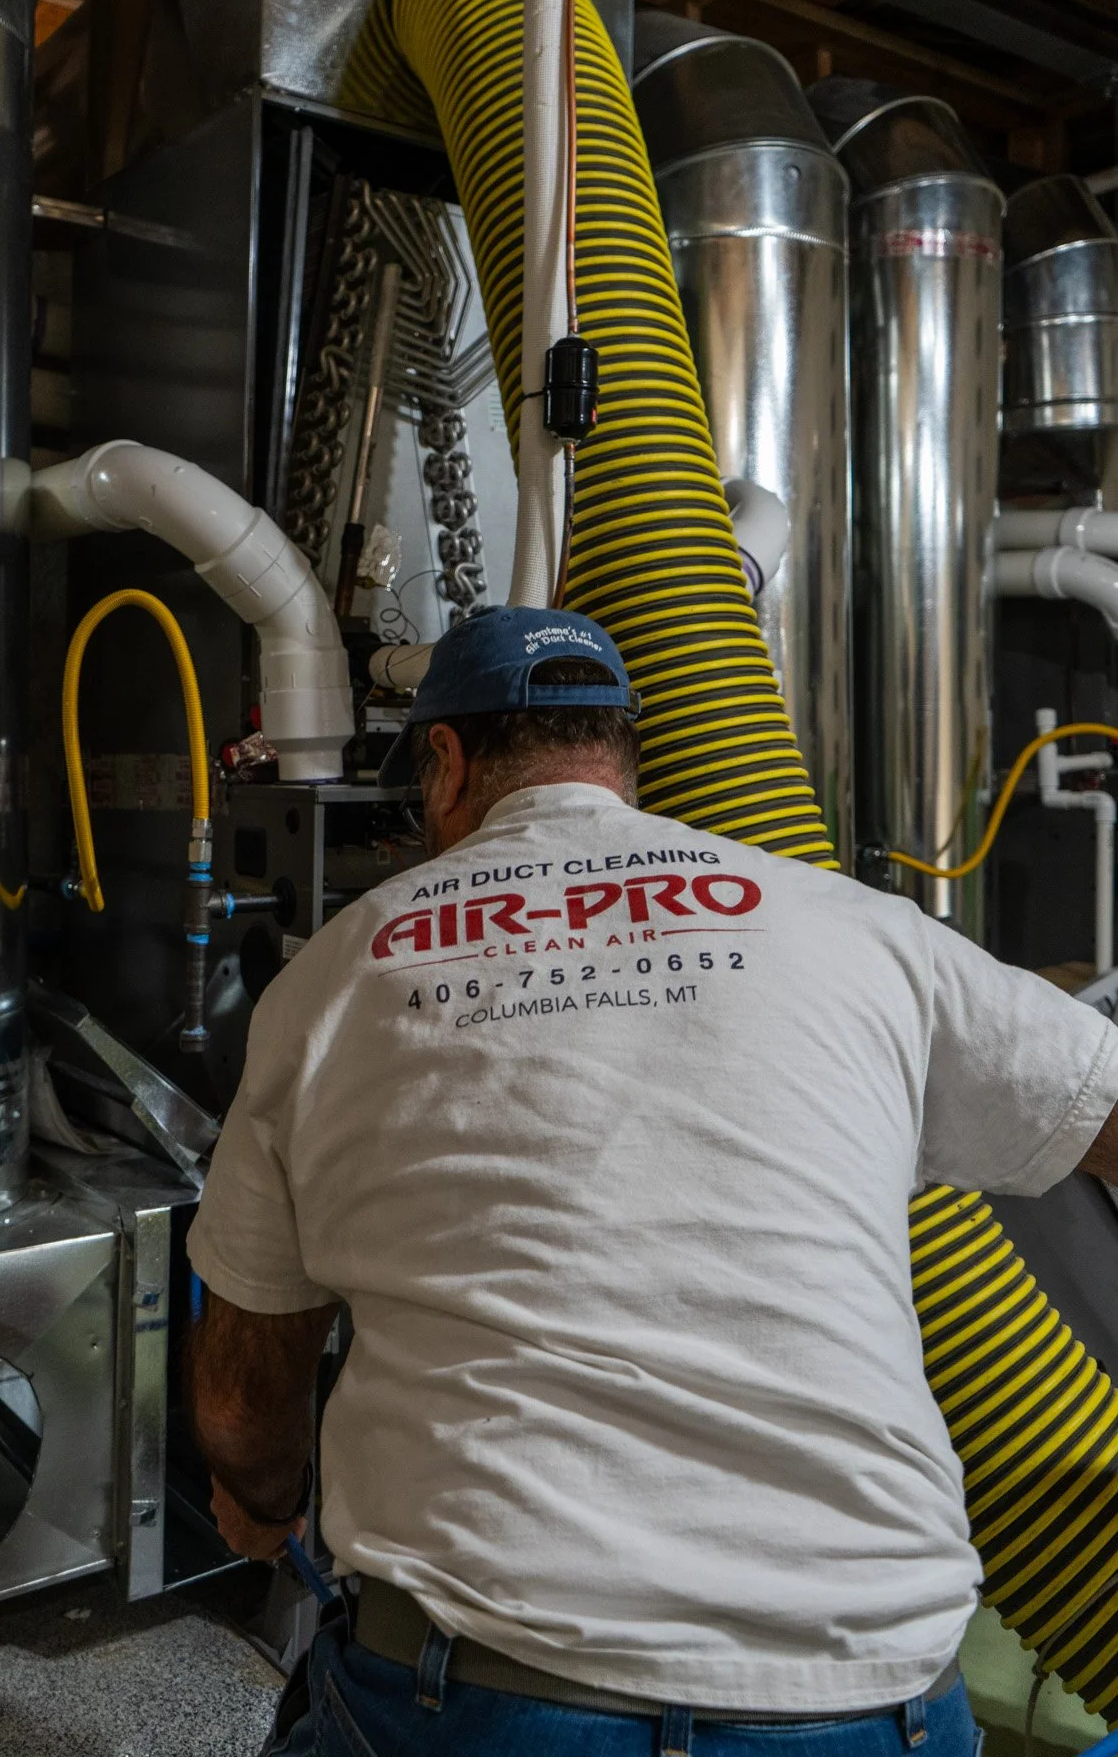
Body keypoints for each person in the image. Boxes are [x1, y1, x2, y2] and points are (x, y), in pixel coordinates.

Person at [185, 604, 1118, 1757]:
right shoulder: (861, 929)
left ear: (447, 761)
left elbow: (242, 1403)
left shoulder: (335, 976)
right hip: (872, 1691)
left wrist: (264, 1501)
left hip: (493, 1687)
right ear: (620, 754)